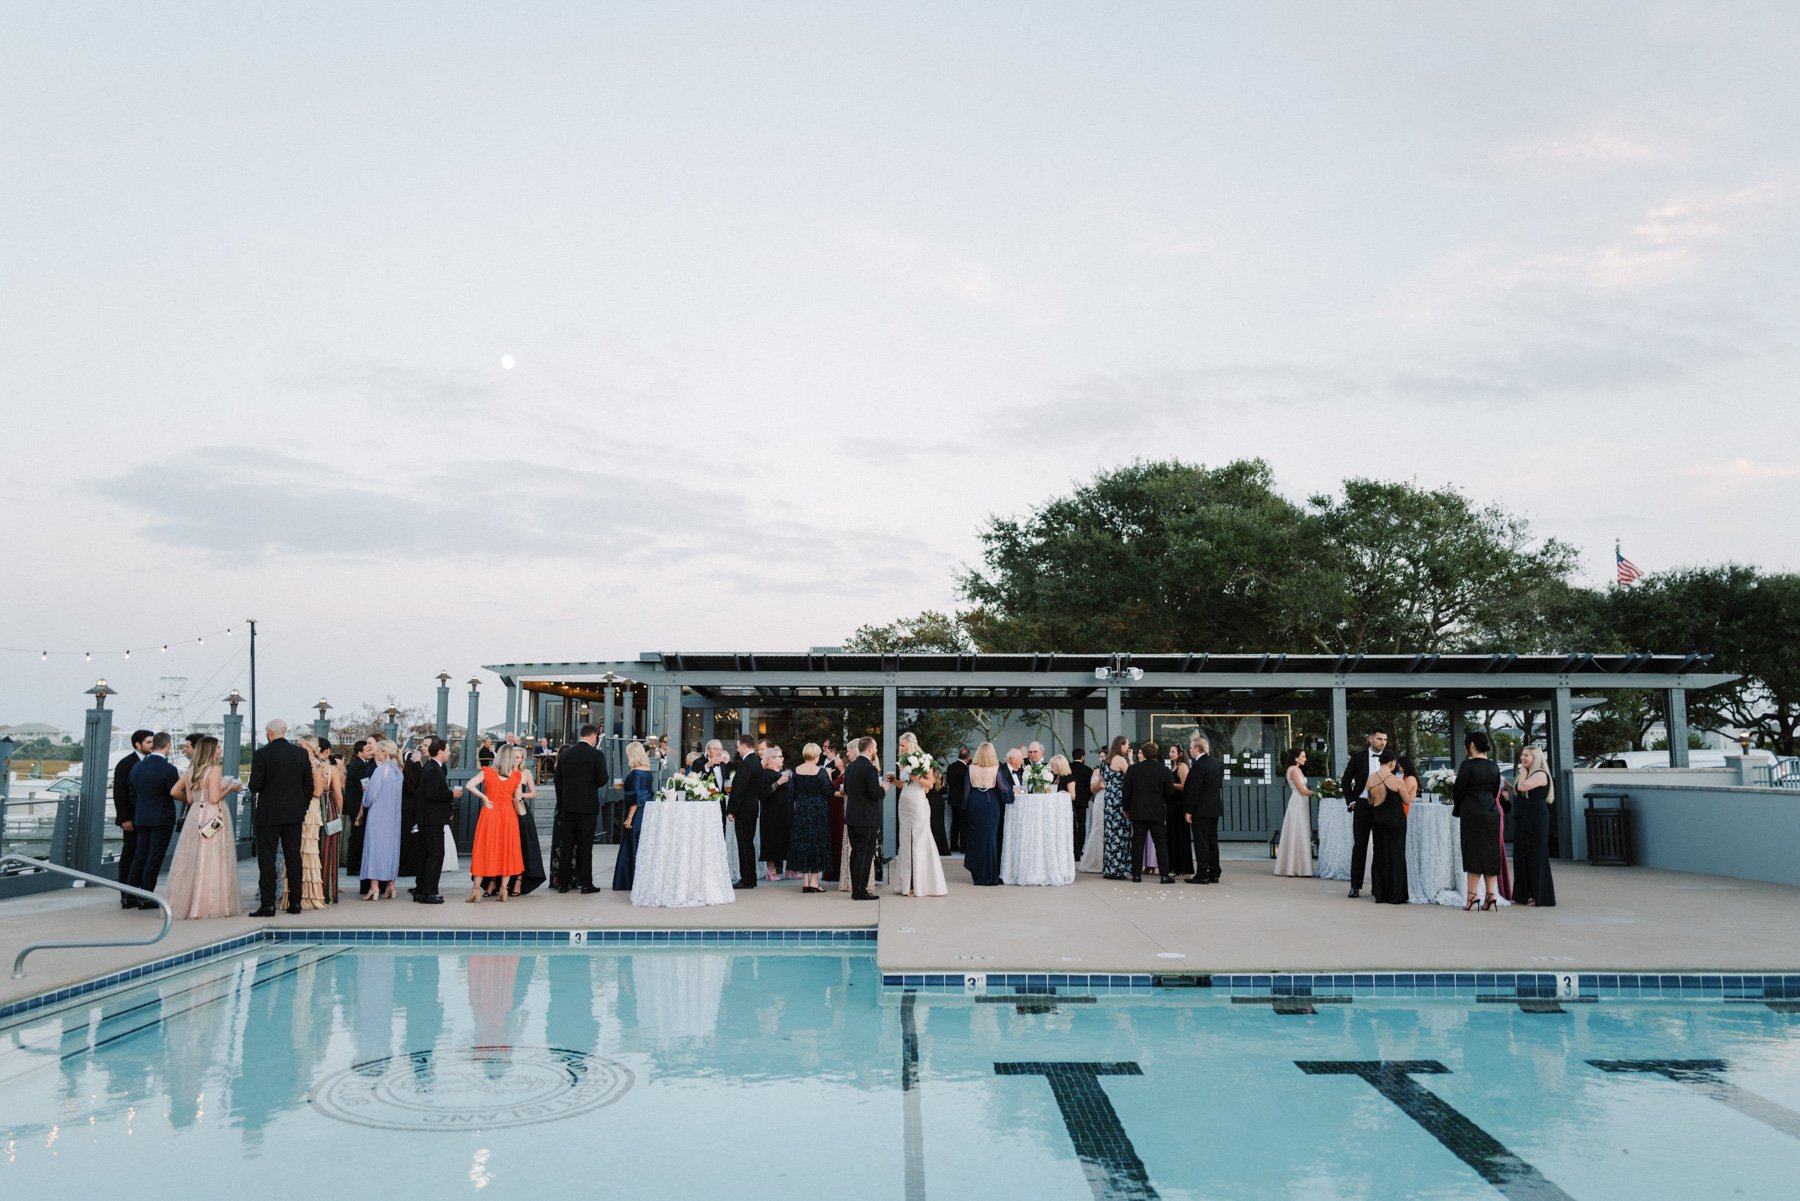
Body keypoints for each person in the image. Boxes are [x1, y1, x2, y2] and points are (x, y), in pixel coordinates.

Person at [166, 735, 241, 919]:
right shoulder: (214, 769)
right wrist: (230, 789)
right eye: (217, 748)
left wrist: (198, 802)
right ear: (210, 751)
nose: (220, 750)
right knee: (214, 856)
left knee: (192, 856)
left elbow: (181, 795)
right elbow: (215, 798)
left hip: (195, 815)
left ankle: (187, 902)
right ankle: (211, 903)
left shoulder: (192, 769)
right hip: (213, 814)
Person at [249, 718, 311, 916]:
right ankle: (295, 903)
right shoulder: (300, 754)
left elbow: (254, 786)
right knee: (294, 858)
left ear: (269, 733)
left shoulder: (261, 754)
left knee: (267, 860)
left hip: (268, 814)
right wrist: (302, 808)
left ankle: (268, 904)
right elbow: (308, 785)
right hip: (293, 814)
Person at [124, 733, 180, 905]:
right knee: (154, 857)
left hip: (141, 816)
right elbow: (174, 792)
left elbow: (132, 792)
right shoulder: (169, 769)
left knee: (140, 855)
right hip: (161, 817)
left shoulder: (137, 767)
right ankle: (147, 896)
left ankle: (130, 895)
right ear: (167, 746)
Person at [465, 745, 526, 902]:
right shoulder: (517, 776)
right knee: (507, 851)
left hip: (490, 814)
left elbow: (469, 785)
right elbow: (517, 797)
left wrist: (485, 798)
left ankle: (475, 890)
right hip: (508, 816)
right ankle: (503, 890)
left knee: (484, 850)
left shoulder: (488, 772)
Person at [552, 724, 608, 893]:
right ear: (592, 736)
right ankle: (586, 883)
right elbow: (603, 778)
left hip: (568, 806)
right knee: (585, 846)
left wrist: (562, 802)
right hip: (587, 806)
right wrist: (591, 786)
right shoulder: (596, 755)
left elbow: (557, 781)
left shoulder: (566, 754)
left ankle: (563, 884)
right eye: (596, 737)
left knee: (567, 845)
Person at [1453, 732, 1505, 911]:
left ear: (1472, 745)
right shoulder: (1494, 766)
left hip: (1472, 810)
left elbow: (1458, 790)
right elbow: (1495, 789)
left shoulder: (1467, 766)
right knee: (1490, 852)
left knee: (1473, 851)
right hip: (1491, 810)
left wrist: (1458, 807)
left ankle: (1472, 896)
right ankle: (1491, 895)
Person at [1338, 727, 1389, 899]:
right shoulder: (1358, 757)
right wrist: (1351, 801)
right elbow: (1346, 781)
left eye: (1385, 740)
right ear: (1370, 739)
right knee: (1360, 847)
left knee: (1381, 848)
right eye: (1379, 739)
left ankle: (1378, 887)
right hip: (1362, 806)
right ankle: (1355, 886)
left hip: (1382, 807)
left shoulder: (1389, 757)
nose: (1382, 742)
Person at [1122, 740, 1179, 883]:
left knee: (1137, 843)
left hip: (1138, 811)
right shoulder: (1164, 770)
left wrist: (1126, 808)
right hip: (1157, 812)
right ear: (1156, 753)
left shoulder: (1133, 769)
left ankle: (1136, 875)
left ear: (1144, 754)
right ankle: (1164, 875)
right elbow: (1170, 792)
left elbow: (1126, 791)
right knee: (1161, 843)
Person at [414, 737, 463, 904]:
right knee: (435, 854)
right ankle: (429, 892)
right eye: (448, 750)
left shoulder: (432, 767)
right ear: (440, 751)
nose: (450, 753)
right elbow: (432, 793)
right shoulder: (434, 769)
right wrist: (452, 794)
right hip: (432, 820)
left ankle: (421, 890)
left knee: (427, 854)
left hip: (428, 819)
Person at [894, 759, 948, 897]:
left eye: (902, 745)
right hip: (905, 803)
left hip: (918, 803)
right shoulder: (902, 763)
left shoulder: (923, 761)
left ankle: (921, 883)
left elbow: (930, 784)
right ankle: (907, 884)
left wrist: (916, 777)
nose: (900, 748)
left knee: (919, 840)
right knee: (905, 842)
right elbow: (906, 785)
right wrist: (894, 781)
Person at [1511, 746, 1557, 907]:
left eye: (1526, 756)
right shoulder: (1529, 774)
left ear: (1535, 758)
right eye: (1522, 754)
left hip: (1536, 819)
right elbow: (1520, 791)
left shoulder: (1541, 774)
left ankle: (1540, 895)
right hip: (1524, 818)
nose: (1522, 758)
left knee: (1536, 856)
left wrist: (1522, 772)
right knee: (1521, 855)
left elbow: (1523, 787)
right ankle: (1523, 894)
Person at [356, 740, 403, 899]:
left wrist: (366, 792)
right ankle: (391, 885)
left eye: (378, 750)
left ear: (385, 753)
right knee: (391, 849)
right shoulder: (399, 772)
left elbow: (370, 797)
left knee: (375, 848)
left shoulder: (380, 770)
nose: (375, 752)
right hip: (393, 816)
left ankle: (374, 887)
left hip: (378, 815)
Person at [112, 729, 153, 907]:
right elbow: (119, 793)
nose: (152, 745)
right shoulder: (126, 763)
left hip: (146, 817)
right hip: (131, 818)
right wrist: (124, 818)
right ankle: (126, 894)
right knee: (130, 854)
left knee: (143, 854)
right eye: (149, 742)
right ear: (138, 744)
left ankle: (139, 891)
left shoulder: (151, 762)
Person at [296, 735, 336, 909]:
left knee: (308, 850)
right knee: (299, 849)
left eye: (302, 745)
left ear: (311, 748)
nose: (298, 748)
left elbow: (318, 791)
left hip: (310, 808)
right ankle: (299, 892)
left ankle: (310, 894)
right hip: (302, 807)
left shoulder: (315, 765)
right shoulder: (303, 763)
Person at [1365, 750, 1411, 903]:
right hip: (1395, 821)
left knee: (1380, 854)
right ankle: (1395, 894)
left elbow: (1370, 802)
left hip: (1377, 820)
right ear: (1392, 762)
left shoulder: (1370, 779)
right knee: (1396, 855)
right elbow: (1406, 800)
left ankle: (1380, 893)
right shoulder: (1396, 781)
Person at [844, 736, 885, 900]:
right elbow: (875, 793)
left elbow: (846, 789)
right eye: (875, 748)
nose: (876, 751)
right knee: (865, 854)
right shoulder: (870, 769)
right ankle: (860, 890)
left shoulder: (851, 766)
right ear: (869, 749)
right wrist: (884, 789)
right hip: (866, 818)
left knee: (856, 853)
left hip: (852, 817)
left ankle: (856, 888)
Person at [789, 743, 834, 892]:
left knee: (802, 842)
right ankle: (815, 881)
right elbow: (829, 792)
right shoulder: (820, 772)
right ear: (816, 755)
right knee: (816, 842)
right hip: (817, 809)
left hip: (801, 809)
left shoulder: (796, 771)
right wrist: (829, 775)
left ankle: (805, 881)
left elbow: (792, 794)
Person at [612, 741, 655, 891]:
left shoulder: (635, 772)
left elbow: (636, 798)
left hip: (636, 813)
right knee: (642, 844)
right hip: (647, 812)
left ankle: (629, 880)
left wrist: (629, 817)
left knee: (631, 844)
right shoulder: (648, 770)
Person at [728, 735, 771, 889]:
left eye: (738, 746)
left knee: (744, 844)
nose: (737, 749)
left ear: (744, 746)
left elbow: (739, 789)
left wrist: (731, 810)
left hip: (744, 810)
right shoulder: (756, 762)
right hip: (751, 808)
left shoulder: (747, 763)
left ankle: (746, 879)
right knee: (749, 844)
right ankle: (750, 878)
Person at [961, 742, 1005, 886]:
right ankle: (991, 875)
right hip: (990, 803)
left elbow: (966, 793)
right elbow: (1003, 789)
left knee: (976, 838)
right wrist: (1012, 797)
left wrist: (964, 809)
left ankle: (978, 874)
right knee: (990, 839)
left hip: (975, 803)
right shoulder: (996, 769)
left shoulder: (970, 769)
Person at [1184, 734, 1224, 884]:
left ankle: (1202, 873)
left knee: (1201, 842)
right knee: (1212, 841)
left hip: (1200, 810)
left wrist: (1189, 810)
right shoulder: (1214, 763)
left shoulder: (1199, 766)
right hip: (1214, 808)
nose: (1190, 750)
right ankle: (1214, 872)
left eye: (1191, 748)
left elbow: (1194, 790)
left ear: (1197, 748)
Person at [1273, 747, 1315, 877]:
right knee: (1298, 831)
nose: (1305, 759)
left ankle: (1297, 866)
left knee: (1299, 831)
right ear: (1296, 758)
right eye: (1303, 756)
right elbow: (1302, 791)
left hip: (1300, 803)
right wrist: (1321, 793)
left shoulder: (1296, 770)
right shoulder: (1294, 771)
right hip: (1298, 803)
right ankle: (1295, 867)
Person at [510, 753, 546, 897]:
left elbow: (533, 793)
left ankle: (519, 880)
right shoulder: (504, 772)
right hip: (505, 810)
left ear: (522, 759)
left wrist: (521, 796)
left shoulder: (526, 773)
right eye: (514, 757)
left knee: (523, 844)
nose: (516, 759)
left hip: (520, 810)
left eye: (518, 757)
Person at [1097, 736, 1132, 879]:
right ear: (1121, 745)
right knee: (1120, 833)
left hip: (1108, 798)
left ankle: (1110, 868)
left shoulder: (1105, 761)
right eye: (1127, 745)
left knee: (1110, 834)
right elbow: (1131, 777)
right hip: (1119, 798)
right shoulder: (1121, 760)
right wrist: (1130, 759)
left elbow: (1103, 778)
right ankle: (1119, 869)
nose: (1128, 748)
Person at [344, 739, 376, 895]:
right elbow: (363, 786)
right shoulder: (360, 766)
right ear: (359, 752)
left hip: (354, 806)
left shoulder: (359, 764)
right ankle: (354, 866)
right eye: (367, 749)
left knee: (356, 835)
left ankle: (353, 865)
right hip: (357, 807)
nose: (370, 751)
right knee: (357, 836)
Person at [760, 745, 795, 881]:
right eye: (780, 756)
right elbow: (763, 793)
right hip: (771, 814)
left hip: (786, 813)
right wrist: (778, 783)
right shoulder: (765, 774)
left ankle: (790, 869)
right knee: (772, 839)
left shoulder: (784, 773)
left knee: (788, 839)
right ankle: (771, 870)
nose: (782, 758)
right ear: (771, 759)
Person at [1163, 744, 1195, 879]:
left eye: (1173, 751)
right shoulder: (1172, 767)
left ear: (1180, 753)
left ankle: (1183, 867)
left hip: (1179, 806)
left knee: (1180, 836)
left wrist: (1170, 785)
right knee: (1172, 836)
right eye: (1170, 751)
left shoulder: (1182, 767)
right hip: (1171, 806)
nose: (1170, 754)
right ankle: (1175, 866)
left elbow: (1184, 786)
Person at [945, 746, 970, 854]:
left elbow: (949, 783)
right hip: (964, 800)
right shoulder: (966, 769)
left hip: (953, 798)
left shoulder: (950, 767)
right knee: (964, 824)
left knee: (955, 823)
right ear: (967, 758)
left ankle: (954, 845)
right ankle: (963, 846)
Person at [1065, 748, 1087, 859]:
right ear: (1082, 757)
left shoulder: (1068, 768)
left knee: (1071, 825)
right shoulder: (1087, 770)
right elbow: (1089, 787)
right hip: (1082, 801)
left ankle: (1072, 848)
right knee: (1081, 825)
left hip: (1069, 800)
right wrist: (1087, 798)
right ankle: (1079, 849)